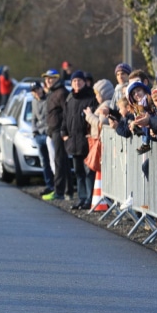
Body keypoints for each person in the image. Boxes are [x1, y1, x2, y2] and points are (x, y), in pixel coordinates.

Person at [61, 70, 98, 210]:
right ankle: (81, 198)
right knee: (78, 172)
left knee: (89, 171)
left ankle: (89, 198)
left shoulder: (90, 98)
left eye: (80, 81)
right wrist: (63, 133)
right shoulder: (70, 99)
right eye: (75, 81)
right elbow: (65, 119)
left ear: (84, 82)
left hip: (87, 141)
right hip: (73, 141)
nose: (77, 83)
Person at [42, 69, 75, 201]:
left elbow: (66, 113)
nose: (48, 80)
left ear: (57, 79)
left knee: (59, 161)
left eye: (51, 78)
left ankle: (59, 191)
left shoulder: (61, 93)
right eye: (46, 78)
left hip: (59, 131)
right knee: (63, 161)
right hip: (53, 130)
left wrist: (63, 130)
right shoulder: (52, 92)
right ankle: (68, 190)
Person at [30, 81, 54, 195]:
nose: (37, 92)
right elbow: (33, 118)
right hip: (39, 135)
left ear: (42, 88)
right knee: (44, 162)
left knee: (54, 161)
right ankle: (49, 185)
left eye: (38, 89)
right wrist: (34, 132)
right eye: (34, 91)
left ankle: (58, 185)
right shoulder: (34, 102)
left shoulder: (49, 99)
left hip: (49, 134)